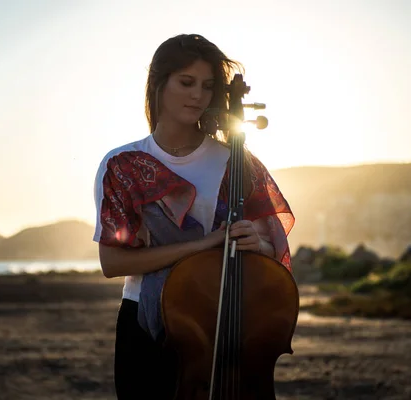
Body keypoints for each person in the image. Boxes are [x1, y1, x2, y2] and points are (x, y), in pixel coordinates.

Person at [92, 33, 294, 400]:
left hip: (225, 318)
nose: (198, 96)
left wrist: (257, 242)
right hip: (146, 322)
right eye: (186, 83)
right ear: (158, 84)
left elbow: (269, 245)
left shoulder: (235, 160)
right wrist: (204, 244)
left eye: (207, 86)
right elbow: (112, 261)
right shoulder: (122, 164)